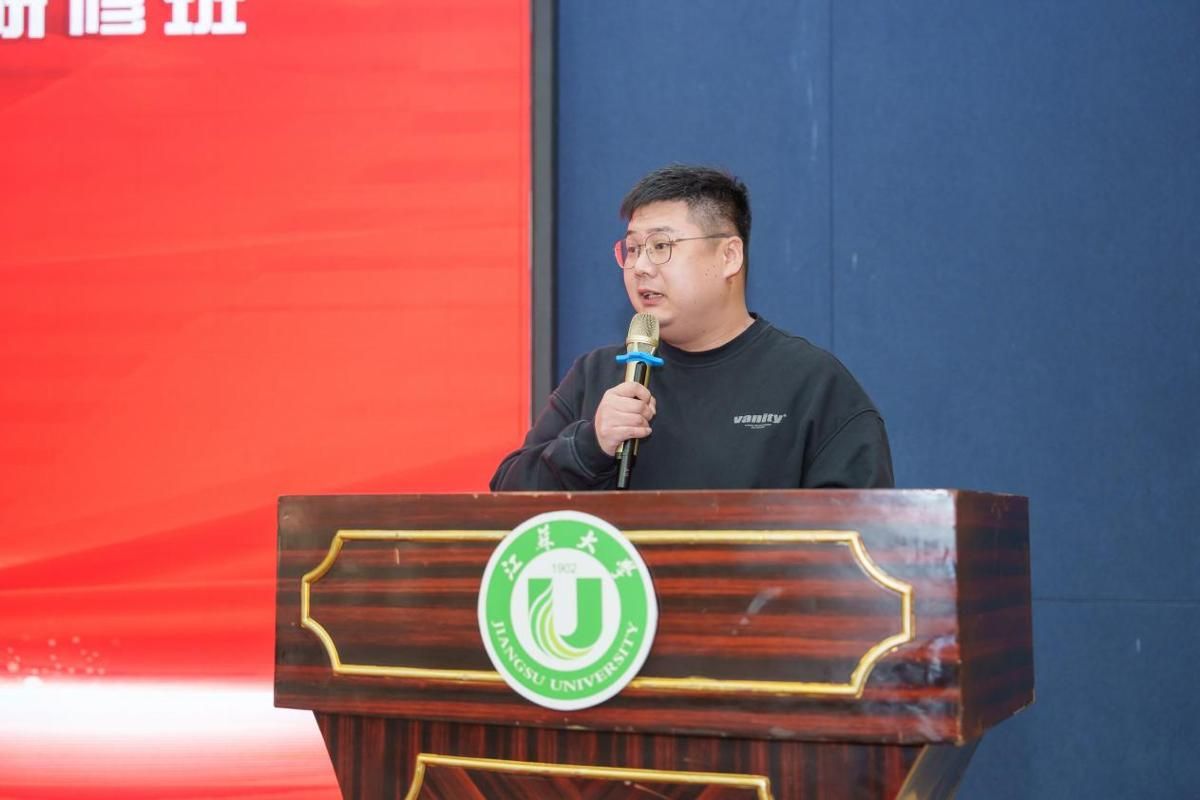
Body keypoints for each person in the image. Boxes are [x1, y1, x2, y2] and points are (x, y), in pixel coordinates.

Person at [491, 164, 893, 491]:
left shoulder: (813, 385)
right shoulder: (596, 376)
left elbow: (859, 536)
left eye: (661, 246)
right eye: (633, 249)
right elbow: (505, 499)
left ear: (729, 256)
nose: (640, 266)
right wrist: (590, 445)